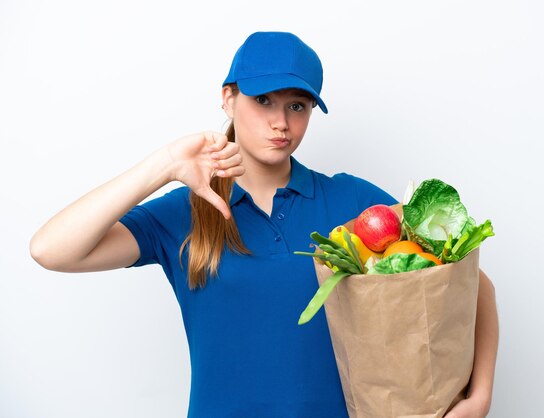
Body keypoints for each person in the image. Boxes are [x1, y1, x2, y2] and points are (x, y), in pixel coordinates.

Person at [30, 31, 498, 418]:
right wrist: (163, 164)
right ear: (228, 100)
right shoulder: (184, 212)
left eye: (298, 106)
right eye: (264, 100)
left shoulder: (350, 200)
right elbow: (51, 250)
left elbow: (470, 284)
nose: (281, 122)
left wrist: (478, 397)